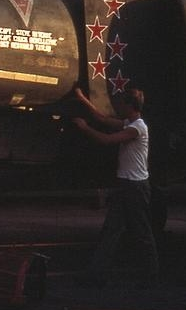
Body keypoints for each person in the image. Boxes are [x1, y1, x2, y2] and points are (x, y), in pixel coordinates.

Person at [71, 86, 159, 287]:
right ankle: (96, 274)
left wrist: (85, 128)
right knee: (111, 230)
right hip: (126, 185)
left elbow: (107, 140)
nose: (118, 107)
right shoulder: (130, 122)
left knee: (141, 231)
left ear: (130, 105)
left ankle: (151, 274)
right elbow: (102, 119)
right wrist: (82, 98)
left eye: (122, 104)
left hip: (136, 187)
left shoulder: (138, 128)